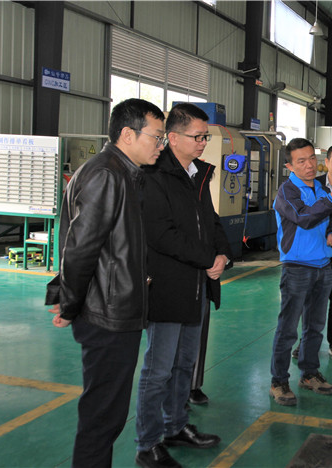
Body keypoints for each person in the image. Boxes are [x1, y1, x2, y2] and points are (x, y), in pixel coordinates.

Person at [45, 98, 166, 467]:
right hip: (106, 315)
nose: (161, 145)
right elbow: (80, 250)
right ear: (128, 134)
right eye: (157, 137)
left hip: (113, 307)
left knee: (107, 414)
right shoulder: (107, 175)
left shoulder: (122, 173)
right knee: (102, 417)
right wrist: (68, 304)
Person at [133, 103, 231, 468]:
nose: (203, 142)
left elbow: (211, 220)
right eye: (198, 136)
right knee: (158, 369)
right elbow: (161, 234)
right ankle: (147, 443)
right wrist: (207, 259)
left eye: (206, 136)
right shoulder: (153, 175)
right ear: (173, 137)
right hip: (167, 287)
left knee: (185, 364)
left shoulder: (198, 173)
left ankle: (175, 426)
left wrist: (222, 254)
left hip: (196, 288)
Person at [270, 138, 332, 406]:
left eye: (311, 158)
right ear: (289, 166)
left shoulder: (320, 188)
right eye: (301, 161)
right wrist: (331, 198)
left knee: (315, 327)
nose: (309, 165)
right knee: (288, 328)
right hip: (297, 267)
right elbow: (304, 218)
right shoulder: (287, 192)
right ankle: (278, 381)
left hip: (323, 266)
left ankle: (309, 374)